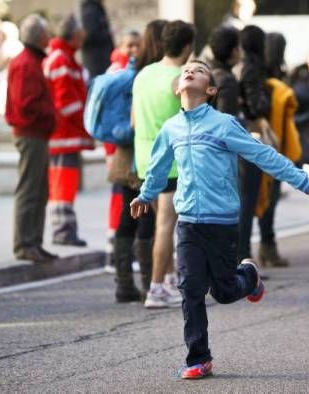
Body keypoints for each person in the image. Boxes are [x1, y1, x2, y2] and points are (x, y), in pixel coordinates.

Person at [129, 59, 309, 379]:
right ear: (177, 88)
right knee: (190, 288)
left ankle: (249, 277)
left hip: (223, 222)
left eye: (199, 71)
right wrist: (146, 195)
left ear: (210, 90)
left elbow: (263, 155)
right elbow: (158, 169)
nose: (190, 72)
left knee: (224, 292)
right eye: (186, 70)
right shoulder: (170, 129)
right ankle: (198, 357)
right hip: (188, 223)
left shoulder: (224, 124)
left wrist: (304, 182)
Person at [133, 20, 195, 308]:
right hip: (170, 161)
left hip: (144, 157)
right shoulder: (179, 78)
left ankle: (168, 281)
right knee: (165, 227)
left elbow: (134, 120)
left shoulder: (144, 74)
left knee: (162, 224)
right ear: (188, 46)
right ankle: (155, 289)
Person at [109, 22, 165, 302]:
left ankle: (124, 284)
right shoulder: (151, 74)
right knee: (147, 218)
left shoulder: (130, 73)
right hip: (143, 153)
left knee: (126, 216)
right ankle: (148, 282)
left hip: (125, 154)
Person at [5, 14, 58, 262]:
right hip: (31, 133)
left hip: (38, 132)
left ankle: (33, 241)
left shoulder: (32, 61)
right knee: (30, 189)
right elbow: (25, 104)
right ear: (38, 36)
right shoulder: (26, 63)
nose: (49, 38)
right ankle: (24, 243)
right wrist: (49, 113)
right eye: (46, 33)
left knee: (39, 189)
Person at [43, 15, 95, 247]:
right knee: (64, 183)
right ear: (73, 35)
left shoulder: (61, 58)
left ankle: (63, 228)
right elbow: (66, 103)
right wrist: (86, 120)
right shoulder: (62, 60)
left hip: (63, 135)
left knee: (62, 183)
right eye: (81, 34)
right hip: (65, 135)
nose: (83, 38)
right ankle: (63, 230)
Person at [255, 32, 303, 266]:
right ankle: (267, 247)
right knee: (269, 198)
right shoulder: (275, 82)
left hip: (258, 144)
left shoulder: (255, 75)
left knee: (259, 198)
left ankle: (264, 247)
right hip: (273, 145)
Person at [103, 29, 141, 270]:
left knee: (127, 202)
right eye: (129, 45)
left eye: (138, 45)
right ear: (120, 46)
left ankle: (123, 257)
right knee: (120, 201)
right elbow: (111, 116)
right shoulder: (117, 73)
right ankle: (114, 257)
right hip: (118, 147)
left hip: (129, 146)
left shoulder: (132, 72)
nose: (134, 50)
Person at [235, 25, 273, 262]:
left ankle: (244, 252)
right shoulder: (253, 69)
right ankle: (243, 254)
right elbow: (257, 106)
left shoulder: (238, 68)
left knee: (247, 198)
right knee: (248, 198)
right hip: (251, 136)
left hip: (245, 137)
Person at [80, 0, 114, 78]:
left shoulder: (96, 9)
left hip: (102, 59)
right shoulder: (90, 11)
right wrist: (107, 34)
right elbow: (91, 35)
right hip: (97, 62)